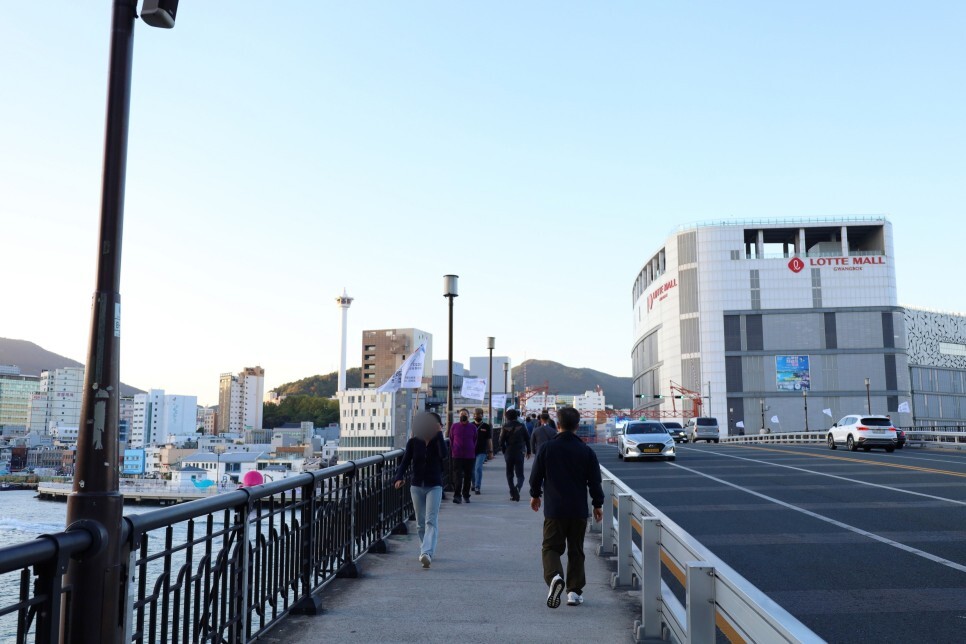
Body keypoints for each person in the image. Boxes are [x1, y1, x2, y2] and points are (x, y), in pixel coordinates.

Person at [529, 406, 604, 609]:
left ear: (558, 425)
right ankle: (574, 592)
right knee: (576, 550)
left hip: (554, 509)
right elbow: (595, 482)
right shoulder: (586, 451)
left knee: (551, 547)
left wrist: (535, 495)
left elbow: (535, 476)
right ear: (577, 426)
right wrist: (597, 504)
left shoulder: (547, 448)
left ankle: (555, 577)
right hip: (578, 509)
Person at [394, 412, 447, 569]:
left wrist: (439, 434)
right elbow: (405, 462)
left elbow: (444, 455)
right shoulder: (413, 442)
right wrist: (398, 477)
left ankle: (426, 552)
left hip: (434, 485)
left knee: (431, 520)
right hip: (416, 485)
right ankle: (425, 549)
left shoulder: (439, 441)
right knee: (420, 523)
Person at [499, 408, 531, 501]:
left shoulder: (505, 426)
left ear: (507, 417)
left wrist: (504, 451)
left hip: (509, 452)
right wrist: (529, 451)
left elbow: (501, 441)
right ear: (517, 416)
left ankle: (513, 492)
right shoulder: (522, 426)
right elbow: (527, 439)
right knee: (520, 475)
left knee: (509, 474)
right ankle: (517, 488)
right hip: (519, 452)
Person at [449, 408, 477, 503]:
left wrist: (471, 448)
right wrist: (454, 449)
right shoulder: (454, 426)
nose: (463, 416)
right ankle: (457, 495)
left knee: (468, 476)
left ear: (468, 416)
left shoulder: (473, 427)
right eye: (461, 414)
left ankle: (466, 494)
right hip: (457, 455)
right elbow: (451, 439)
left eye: (465, 414)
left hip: (469, 455)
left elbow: (475, 439)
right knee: (457, 476)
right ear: (459, 416)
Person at [471, 408, 493, 494]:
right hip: (471, 451)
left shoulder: (486, 426)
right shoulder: (470, 425)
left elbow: (489, 439)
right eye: (475, 414)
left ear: (482, 415)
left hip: (482, 451)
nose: (476, 416)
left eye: (478, 414)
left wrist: (490, 451)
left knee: (478, 468)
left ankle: (477, 486)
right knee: (472, 469)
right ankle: (473, 484)